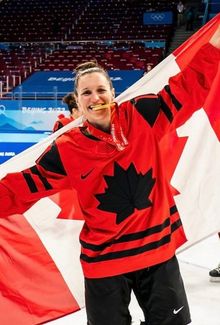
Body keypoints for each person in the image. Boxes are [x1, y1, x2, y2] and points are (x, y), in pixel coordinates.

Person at [0, 26, 220, 325]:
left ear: (113, 93)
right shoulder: (67, 149)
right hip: (104, 264)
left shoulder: (141, 116)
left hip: (157, 254)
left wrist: (216, 45)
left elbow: (189, 86)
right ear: (77, 102)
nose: (96, 97)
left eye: (101, 89)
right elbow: (19, 189)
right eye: (87, 92)